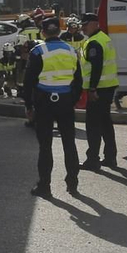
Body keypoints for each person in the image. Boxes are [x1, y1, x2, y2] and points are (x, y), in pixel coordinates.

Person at [22, 14, 82, 196]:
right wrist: (71, 100)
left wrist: (29, 106)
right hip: (65, 102)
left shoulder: (38, 52)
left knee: (45, 146)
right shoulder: (71, 51)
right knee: (69, 144)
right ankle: (72, 183)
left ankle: (44, 186)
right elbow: (78, 81)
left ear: (42, 32)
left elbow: (28, 82)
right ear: (59, 31)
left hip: (44, 102)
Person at [79, 12, 120, 171]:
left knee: (93, 125)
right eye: (82, 25)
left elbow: (97, 67)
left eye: (85, 24)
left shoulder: (95, 42)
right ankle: (110, 157)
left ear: (95, 23)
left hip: (99, 89)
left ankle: (93, 159)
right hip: (107, 86)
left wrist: (92, 88)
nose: (83, 28)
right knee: (105, 123)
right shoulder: (102, 38)